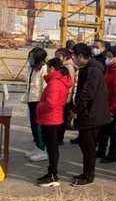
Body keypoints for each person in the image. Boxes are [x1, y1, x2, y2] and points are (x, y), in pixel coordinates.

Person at [70, 43, 111, 186]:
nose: (73, 59)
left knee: (89, 147)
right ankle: (86, 172)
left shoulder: (93, 70)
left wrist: (76, 110)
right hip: (89, 113)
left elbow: (87, 93)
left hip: (92, 114)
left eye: (74, 56)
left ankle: (88, 176)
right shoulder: (88, 68)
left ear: (81, 56)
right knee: (85, 145)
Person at [35, 58, 74, 187]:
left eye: (48, 67)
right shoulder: (60, 81)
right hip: (55, 117)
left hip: (51, 118)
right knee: (52, 148)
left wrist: (39, 106)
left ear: (51, 68)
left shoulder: (54, 83)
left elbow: (51, 103)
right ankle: (51, 173)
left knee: (52, 148)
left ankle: (53, 175)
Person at [22, 48, 48, 162]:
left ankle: (42, 150)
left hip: (38, 101)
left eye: (32, 57)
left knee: (38, 127)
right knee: (33, 125)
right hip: (31, 100)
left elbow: (45, 88)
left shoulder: (44, 69)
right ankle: (37, 147)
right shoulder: (31, 68)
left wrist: (43, 104)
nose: (30, 59)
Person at [54, 48, 77, 145]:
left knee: (63, 118)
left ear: (65, 56)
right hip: (64, 96)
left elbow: (69, 83)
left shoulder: (68, 67)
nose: (56, 57)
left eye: (58, 56)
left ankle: (59, 139)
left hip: (65, 97)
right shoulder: (64, 66)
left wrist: (66, 97)